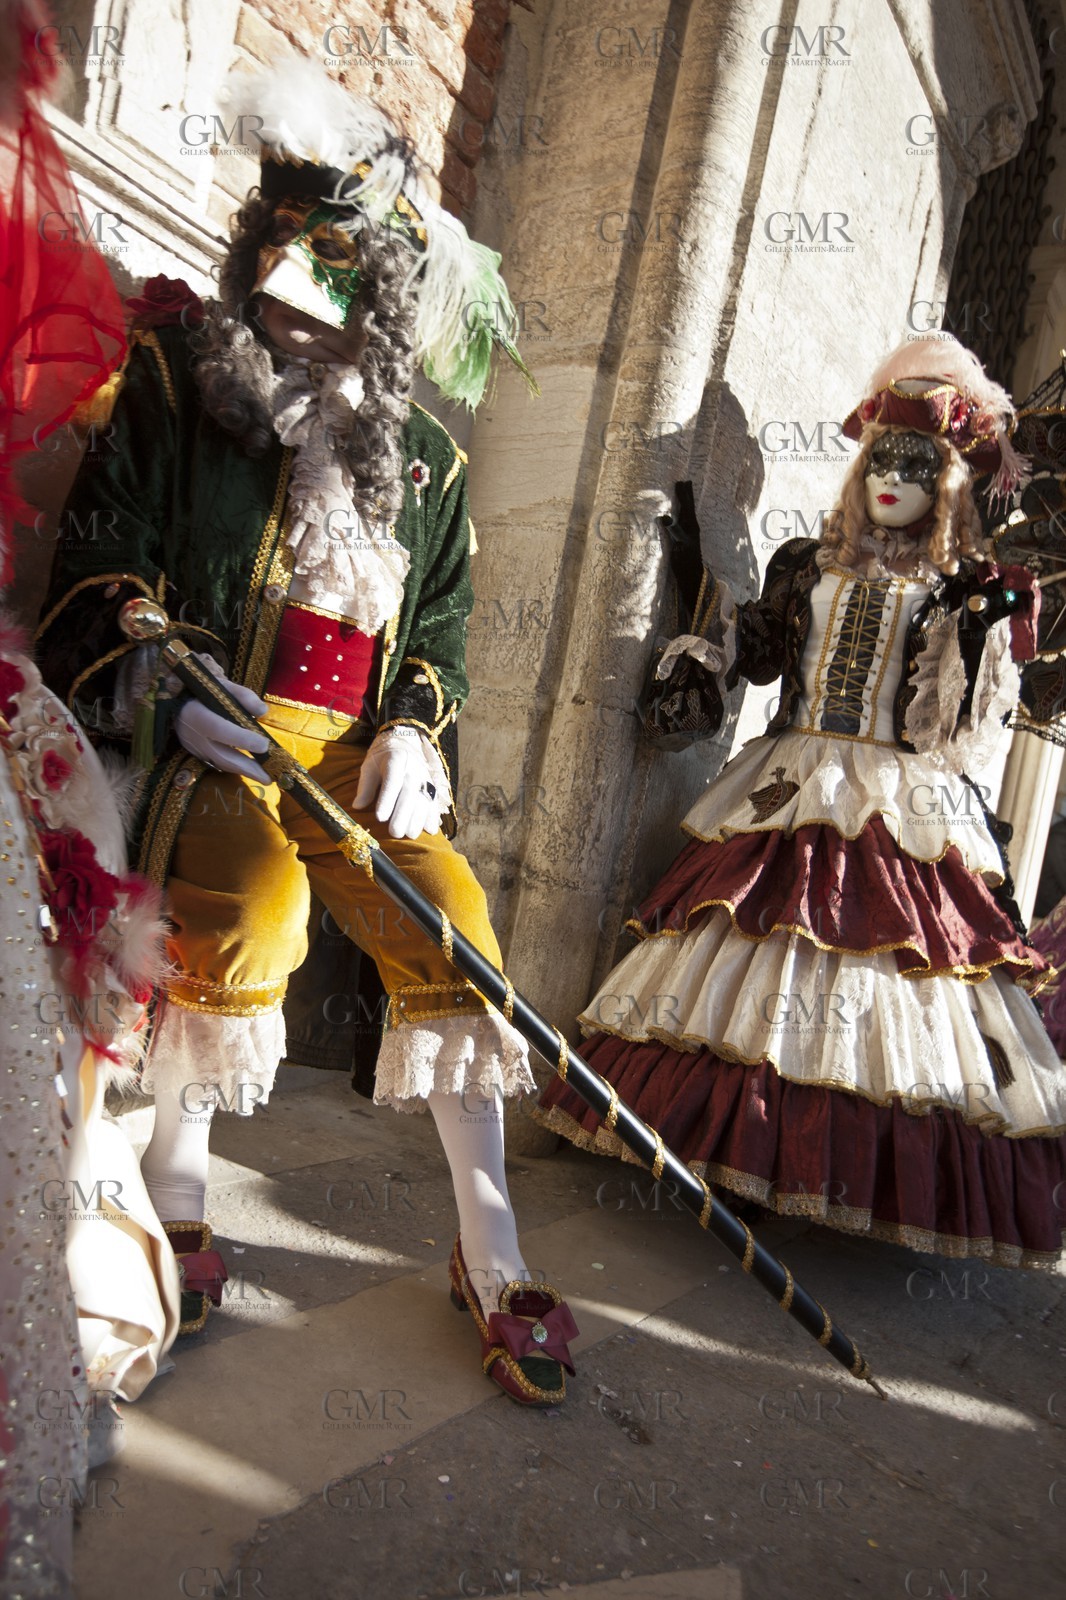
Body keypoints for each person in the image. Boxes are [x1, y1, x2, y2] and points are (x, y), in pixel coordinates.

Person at [36, 58, 577, 1404]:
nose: (288, 284)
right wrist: (167, 686)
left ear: (380, 292)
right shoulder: (176, 386)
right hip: (219, 731)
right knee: (252, 896)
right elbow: (100, 561)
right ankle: (179, 1192)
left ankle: (491, 1247)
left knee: (454, 922)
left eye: (325, 262)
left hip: (348, 756)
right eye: (273, 249)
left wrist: (417, 732)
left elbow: (437, 632)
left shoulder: (432, 467)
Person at [537, 335, 1066, 1268]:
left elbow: (958, 723)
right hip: (786, 782)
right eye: (883, 462)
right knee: (751, 944)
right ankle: (730, 1153)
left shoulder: (961, 590)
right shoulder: (805, 564)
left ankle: (829, 1171)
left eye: (918, 467)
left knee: (878, 960)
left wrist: (987, 627)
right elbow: (760, 651)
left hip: (900, 796)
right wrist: (704, 621)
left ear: (947, 483)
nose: (894, 481)